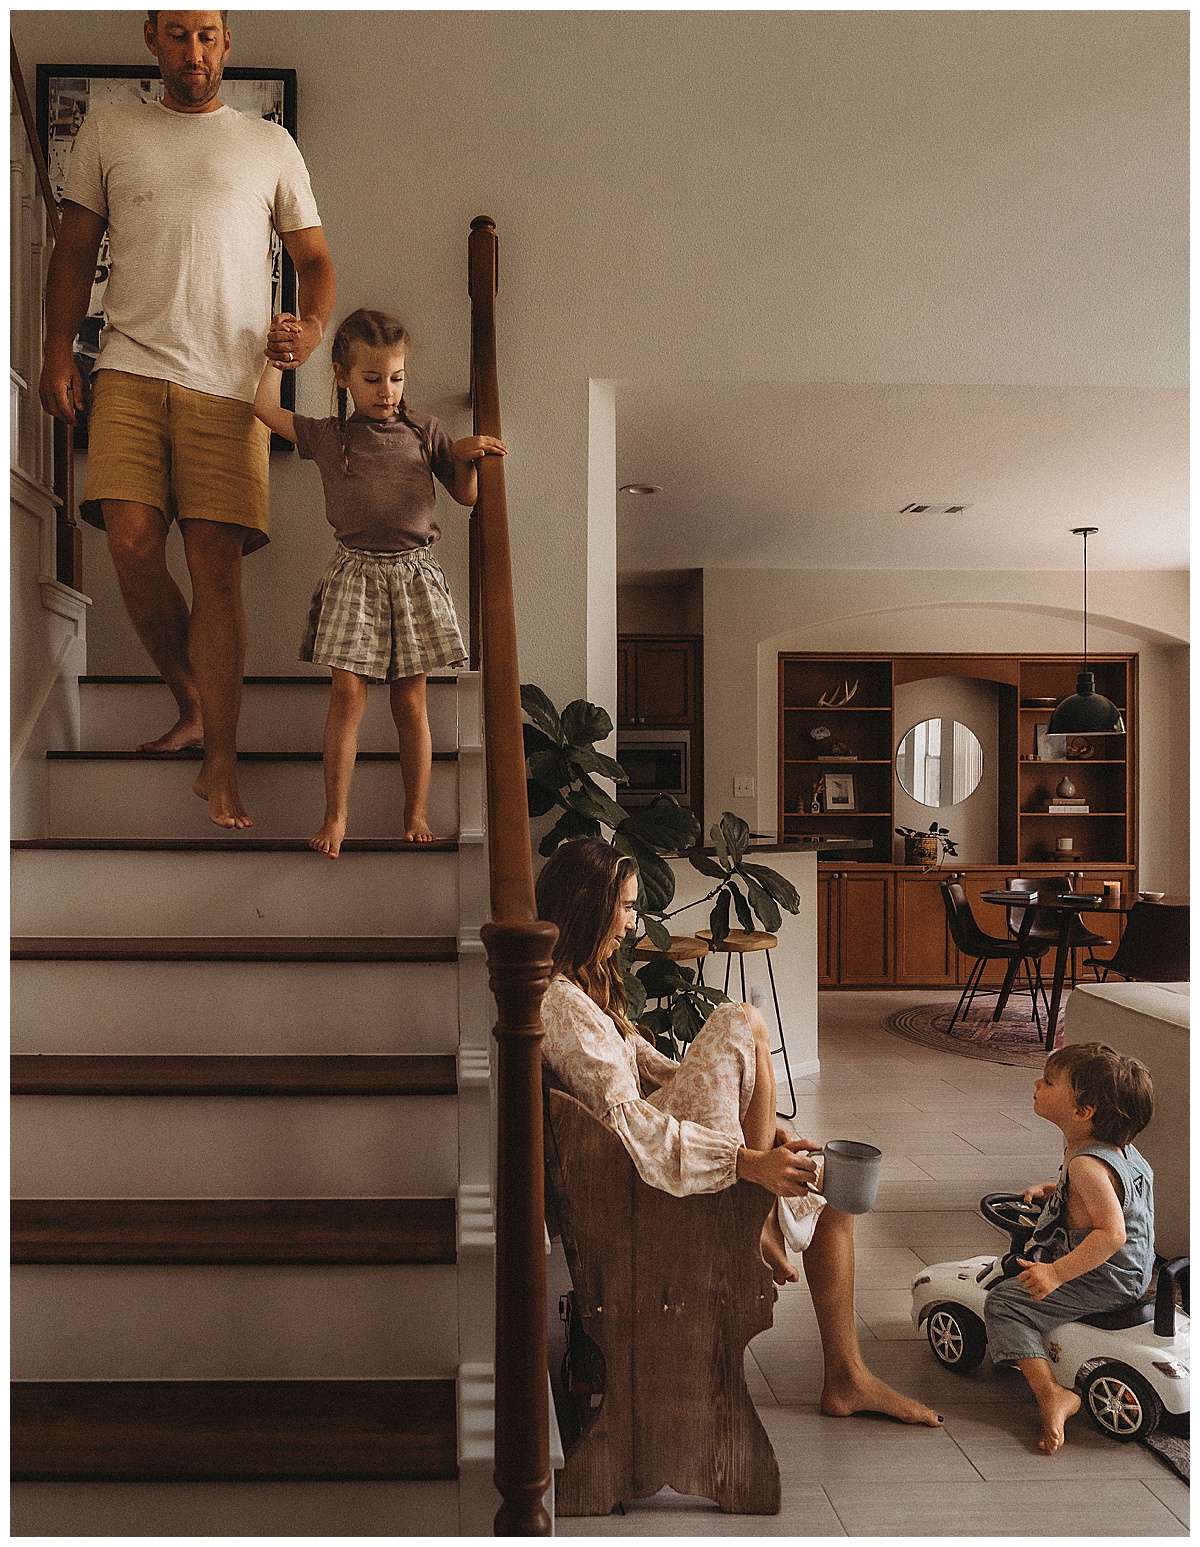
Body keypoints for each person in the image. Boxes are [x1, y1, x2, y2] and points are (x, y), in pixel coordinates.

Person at [39, 10, 337, 829]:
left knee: (217, 573)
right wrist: (56, 351)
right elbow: (71, 251)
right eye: (177, 34)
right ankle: (193, 700)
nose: (193, 51)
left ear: (227, 43)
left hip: (230, 386)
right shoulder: (109, 129)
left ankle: (221, 764)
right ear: (151, 41)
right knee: (131, 541)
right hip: (130, 367)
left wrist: (308, 329)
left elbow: (313, 262)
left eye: (207, 34)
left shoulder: (268, 144)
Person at [535, 837, 943, 1427]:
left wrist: (758, 1114)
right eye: (623, 908)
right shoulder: (563, 1006)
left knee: (833, 1192)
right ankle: (758, 1214)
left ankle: (846, 1377)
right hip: (636, 1184)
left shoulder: (579, 990)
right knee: (740, 1019)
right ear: (586, 909)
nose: (630, 923)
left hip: (649, 1156)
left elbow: (657, 1070)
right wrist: (745, 1164)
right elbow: (625, 1122)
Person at [253, 307, 505, 854]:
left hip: (414, 574)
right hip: (356, 573)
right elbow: (264, 408)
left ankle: (414, 809)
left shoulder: (425, 431)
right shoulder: (328, 435)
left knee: (410, 701)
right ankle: (335, 815)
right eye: (372, 379)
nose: (386, 391)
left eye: (396, 378)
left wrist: (464, 458)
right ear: (342, 376)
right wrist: (279, 357)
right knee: (346, 692)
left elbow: (465, 496)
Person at [984, 1042, 1155, 1454]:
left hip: (1106, 1276)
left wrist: (1055, 1273)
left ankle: (1050, 1393)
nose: (1036, 1083)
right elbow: (1116, 1204)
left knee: (1004, 1302)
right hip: (1132, 1269)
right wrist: (1054, 1191)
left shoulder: (1086, 1166)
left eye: (1049, 1081)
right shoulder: (1119, 1154)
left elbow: (1112, 1233)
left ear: (1083, 1111)